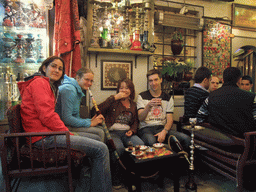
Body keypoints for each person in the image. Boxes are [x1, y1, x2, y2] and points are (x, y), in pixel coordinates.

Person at [17, 56, 112, 192]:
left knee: (98, 140)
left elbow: (48, 115)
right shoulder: (40, 83)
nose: (57, 70)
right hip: (43, 138)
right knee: (101, 150)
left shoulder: (46, 84)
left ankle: (88, 183)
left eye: (60, 68)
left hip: (46, 134)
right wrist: (68, 132)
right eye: (53, 66)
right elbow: (48, 116)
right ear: (44, 68)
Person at [93, 78, 144, 187]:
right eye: (121, 88)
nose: (124, 90)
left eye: (127, 88)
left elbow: (135, 121)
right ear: (118, 89)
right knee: (118, 148)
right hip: (113, 133)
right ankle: (116, 180)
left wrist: (132, 130)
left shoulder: (134, 105)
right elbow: (95, 110)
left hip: (127, 133)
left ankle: (133, 177)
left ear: (131, 90)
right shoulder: (113, 102)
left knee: (140, 145)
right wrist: (113, 98)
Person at [136, 69, 190, 150]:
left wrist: (164, 131)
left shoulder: (168, 98)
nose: (153, 83)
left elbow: (170, 120)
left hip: (162, 127)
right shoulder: (142, 96)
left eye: (156, 80)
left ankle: (184, 161)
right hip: (146, 129)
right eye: (150, 81)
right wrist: (148, 106)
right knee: (152, 142)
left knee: (185, 138)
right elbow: (140, 118)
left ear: (161, 80)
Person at [197, 67, 256, 138]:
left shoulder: (211, 97)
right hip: (243, 143)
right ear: (240, 80)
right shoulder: (252, 97)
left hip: (217, 142)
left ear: (223, 79)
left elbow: (200, 117)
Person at [55, 67, 105, 142]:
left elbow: (75, 117)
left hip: (69, 125)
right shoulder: (69, 90)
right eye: (87, 79)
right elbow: (67, 119)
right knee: (99, 133)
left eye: (91, 81)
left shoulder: (76, 89)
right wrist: (89, 123)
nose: (89, 83)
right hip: (63, 127)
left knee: (100, 129)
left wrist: (90, 120)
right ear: (78, 78)